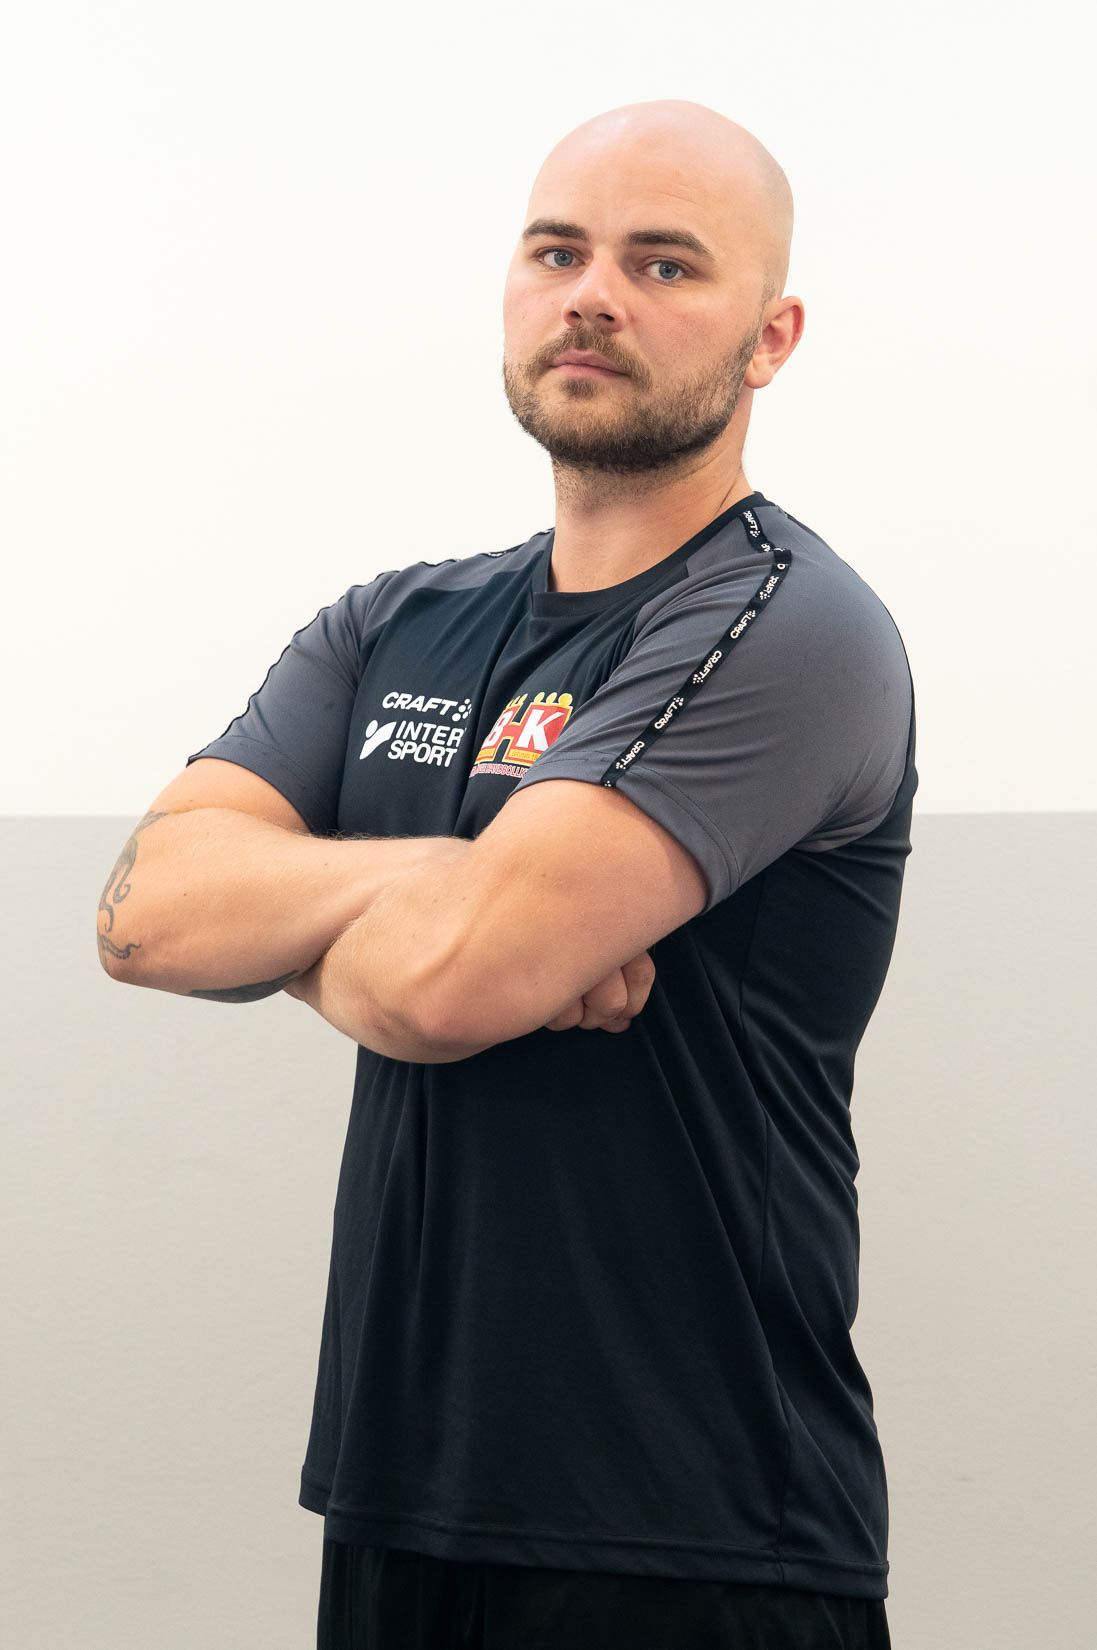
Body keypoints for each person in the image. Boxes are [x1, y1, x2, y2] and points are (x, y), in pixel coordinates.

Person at [99, 98, 914, 1649]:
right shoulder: (393, 621)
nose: (592, 294)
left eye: (664, 264)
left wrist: (318, 919)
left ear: (771, 336)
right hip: (401, 1496)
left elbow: (443, 984)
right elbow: (143, 911)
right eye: (557, 252)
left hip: (691, 1531)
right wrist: (445, 886)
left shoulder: (786, 623)